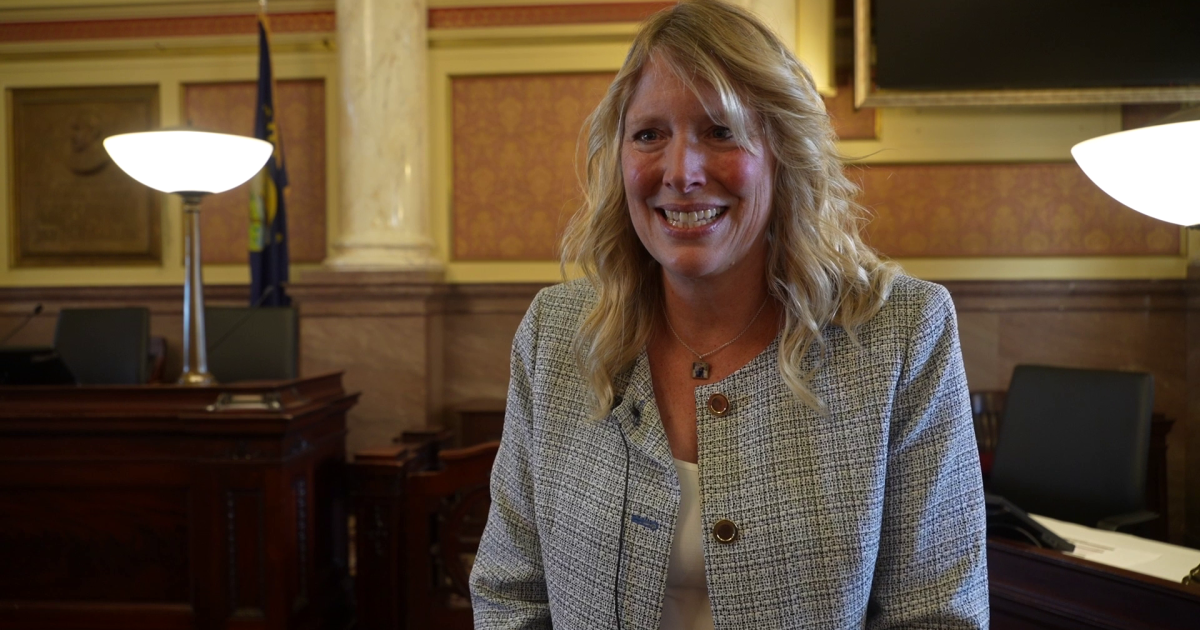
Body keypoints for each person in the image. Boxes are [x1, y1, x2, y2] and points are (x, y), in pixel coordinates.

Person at [469, 1, 989, 627]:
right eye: (649, 135)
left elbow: (939, 617)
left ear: (782, 153)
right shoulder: (555, 334)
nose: (681, 172)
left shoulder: (903, 333)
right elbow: (509, 593)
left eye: (720, 131)